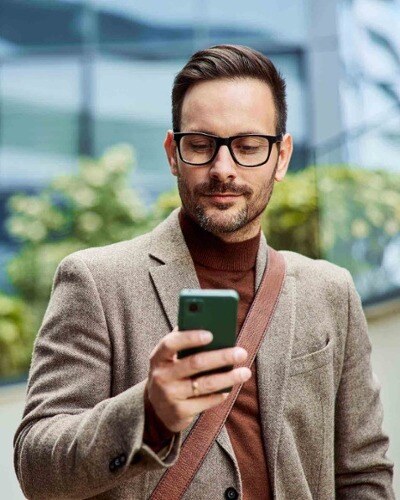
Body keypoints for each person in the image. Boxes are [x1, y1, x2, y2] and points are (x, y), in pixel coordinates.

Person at [14, 45, 394, 499]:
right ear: (173, 153)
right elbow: (35, 467)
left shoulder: (331, 291)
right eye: (201, 145)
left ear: (282, 157)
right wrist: (148, 414)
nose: (223, 169)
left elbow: (364, 472)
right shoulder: (94, 280)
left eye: (248, 147)